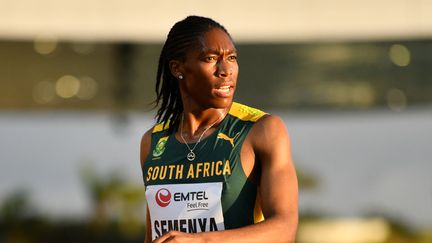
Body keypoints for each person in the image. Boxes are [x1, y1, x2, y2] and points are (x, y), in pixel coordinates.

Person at [140, 16, 298, 243]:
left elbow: (285, 229)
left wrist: (201, 240)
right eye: (210, 58)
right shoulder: (153, 142)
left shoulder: (261, 130)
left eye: (231, 58)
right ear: (178, 68)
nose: (225, 70)